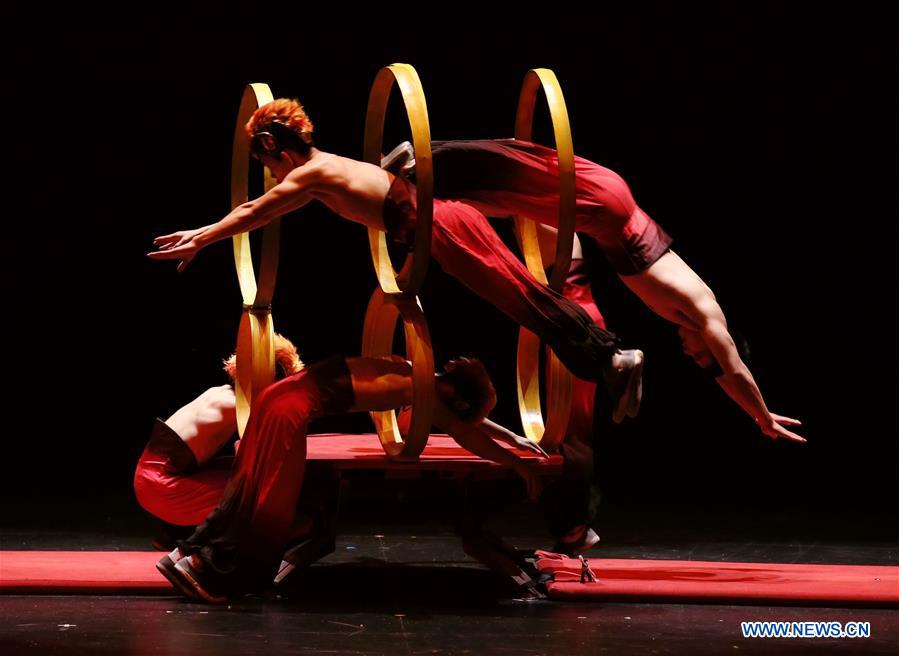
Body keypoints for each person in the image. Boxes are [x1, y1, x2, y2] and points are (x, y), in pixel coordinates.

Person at [147, 99, 643, 421]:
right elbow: (290, 206)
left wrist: (200, 239)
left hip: (442, 225)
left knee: (520, 298)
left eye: (265, 162)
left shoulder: (311, 173)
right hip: (439, 226)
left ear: (272, 146)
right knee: (519, 298)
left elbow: (255, 211)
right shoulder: (325, 171)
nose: (270, 174)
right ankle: (608, 360)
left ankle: (612, 358)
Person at [425, 138, 805, 444]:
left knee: (507, 187)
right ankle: (426, 164)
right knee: (508, 178)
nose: (689, 352)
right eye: (701, 354)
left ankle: (428, 161)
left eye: (695, 359)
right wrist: (762, 416)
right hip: (604, 211)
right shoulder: (705, 312)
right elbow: (732, 371)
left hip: (607, 204)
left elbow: (723, 373)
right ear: (721, 343)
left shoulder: (693, 310)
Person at [155, 350, 546, 603]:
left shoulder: (412, 368)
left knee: (249, 485)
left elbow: (467, 424)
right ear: (458, 400)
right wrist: (518, 463)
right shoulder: (425, 389)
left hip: (277, 398)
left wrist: (512, 437)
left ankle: (185, 555)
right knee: (269, 502)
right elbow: (466, 432)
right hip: (288, 410)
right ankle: (207, 570)